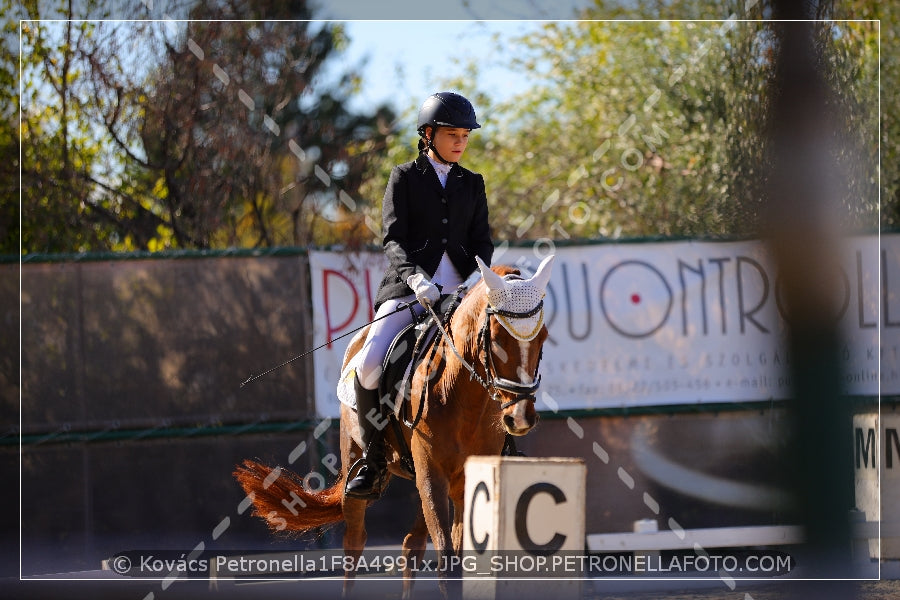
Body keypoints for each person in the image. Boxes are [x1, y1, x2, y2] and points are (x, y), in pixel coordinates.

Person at [345, 92, 494, 499]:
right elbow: (392, 239)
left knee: (495, 350)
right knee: (371, 361)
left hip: (461, 291)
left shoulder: (473, 183)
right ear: (428, 135)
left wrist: (470, 285)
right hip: (410, 289)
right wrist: (414, 278)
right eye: (452, 135)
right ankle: (373, 462)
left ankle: (502, 442)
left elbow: (482, 241)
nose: (461, 142)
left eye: (465, 135)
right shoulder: (404, 177)